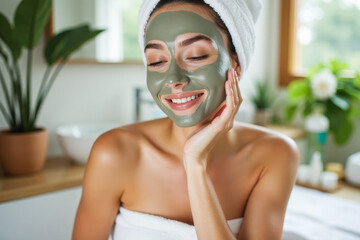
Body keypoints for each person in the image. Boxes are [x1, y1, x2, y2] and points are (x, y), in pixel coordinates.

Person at [72, 0, 299, 239]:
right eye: (157, 61)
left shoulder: (273, 154)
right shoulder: (115, 153)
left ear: (236, 64)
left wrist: (195, 164)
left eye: (196, 56)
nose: (173, 79)